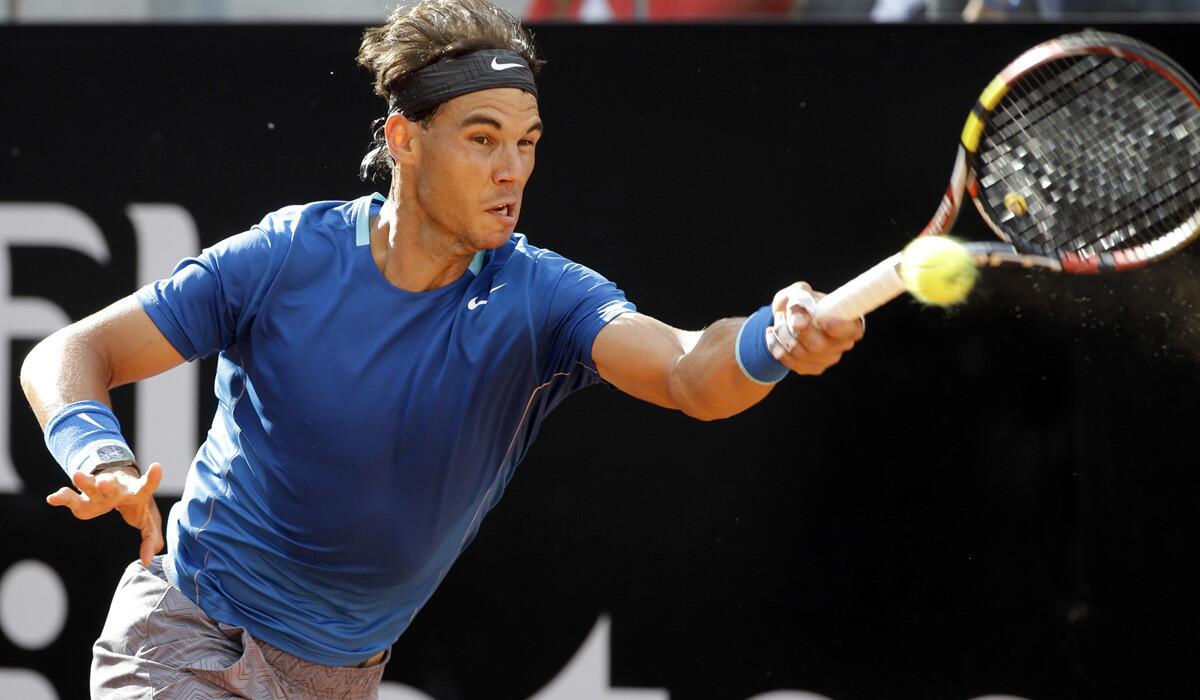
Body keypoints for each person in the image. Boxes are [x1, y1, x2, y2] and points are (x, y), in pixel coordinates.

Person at [19, 0, 864, 696]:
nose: (513, 170)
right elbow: (66, 353)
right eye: (483, 137)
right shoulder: (286, 257)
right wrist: (97, 454)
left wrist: (771, 340)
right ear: (403, 139)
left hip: (343, 679)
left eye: (527, 142)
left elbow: (688, 374)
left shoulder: (542, 297)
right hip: (187, 642)